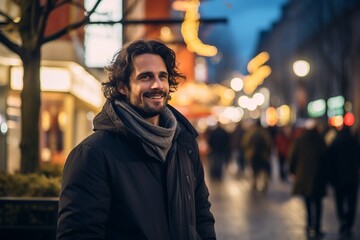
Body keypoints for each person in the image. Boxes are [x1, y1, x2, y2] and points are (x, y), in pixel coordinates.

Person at [57, 39, 216, 240]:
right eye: (146, 77)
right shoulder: (93, 154)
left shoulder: (184, 144)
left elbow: (201, 215)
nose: (157, 85)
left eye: (163, 76)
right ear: (123, 87)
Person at [288, 118, 327, 238]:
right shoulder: (321, 141)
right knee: (318, 203)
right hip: (319, 177)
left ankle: (309, 223)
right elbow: (327, 159)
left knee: (308, 201)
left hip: (304, 177)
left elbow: (292, 157)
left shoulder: (300, 141)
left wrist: (292, 171)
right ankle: (318, 227)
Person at [327, 125, 360, 237]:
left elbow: (330, 161)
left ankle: (342, 220)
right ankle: (349, 223)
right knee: (352, 203)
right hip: (352, 178)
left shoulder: (335, 142)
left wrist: (330, 178)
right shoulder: (354, 142)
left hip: (338, 178)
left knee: (339, 202)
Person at [242, 119, 272, 192]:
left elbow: (245, 143)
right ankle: (264, 183)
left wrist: (248, 152)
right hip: (263, 155)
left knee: (254, 170)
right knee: (263, 170)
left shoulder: (250, 133)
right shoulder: (264, 133)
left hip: (253, 155)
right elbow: (269, 144)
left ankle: (254, 183)